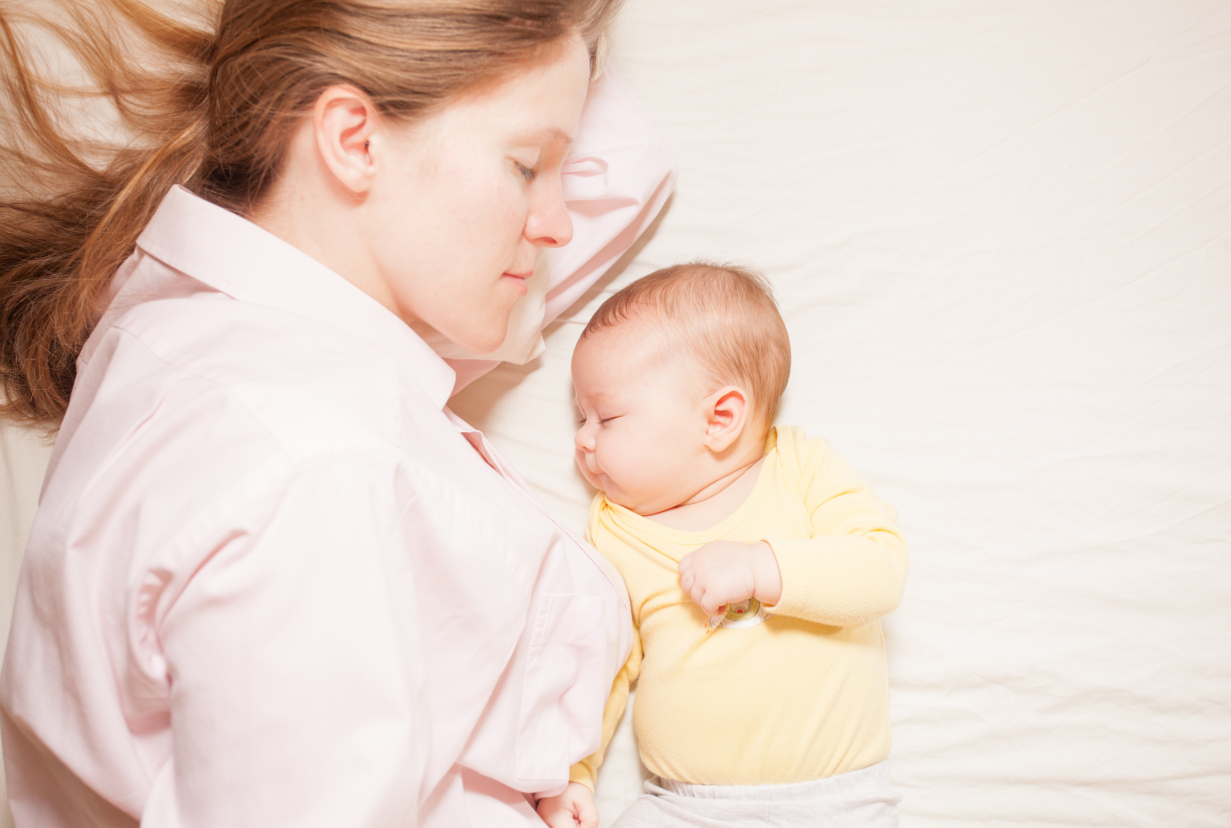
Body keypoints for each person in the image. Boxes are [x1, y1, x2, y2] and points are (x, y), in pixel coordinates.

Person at [0, 1, 678, 825]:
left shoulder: (194, 305)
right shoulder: (315, 472)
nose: (559, 221)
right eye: (528, 166)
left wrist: (528, 113)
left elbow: (627, 161)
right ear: (353, 141)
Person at [537, 263, 910, 828]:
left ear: (720, 419)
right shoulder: (615, 528)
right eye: (580, 416)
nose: (582, 439)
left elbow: (880, 569)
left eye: (605, 416)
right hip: (684, 806)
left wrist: (765, 565)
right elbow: (604, 662)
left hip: (838, 802)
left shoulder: (801, 467)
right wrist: (574, 772)